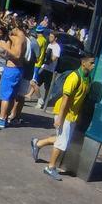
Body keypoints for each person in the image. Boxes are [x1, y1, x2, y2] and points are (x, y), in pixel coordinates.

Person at [30, 53, 93, 181]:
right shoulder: (74, 77)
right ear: (83, 63)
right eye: (91, 62)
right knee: (62, 142)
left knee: (62, 138)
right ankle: (50, 167)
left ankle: (38, 143)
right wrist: (60, 118)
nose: (93, 65)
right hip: (64, 113)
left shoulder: (87, 78)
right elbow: (65, 99)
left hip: (72, 115)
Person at [0, 18, 28, 129]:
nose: (10, 32)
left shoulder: (19, 38)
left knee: (5, 96)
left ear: (16, 28)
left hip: (12, 70)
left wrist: (4, 47)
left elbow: (17, 55)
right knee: (10, 96)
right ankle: (4, 117)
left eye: (11, 29)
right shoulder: (19, 38)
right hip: (15, 69)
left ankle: (2, 119)